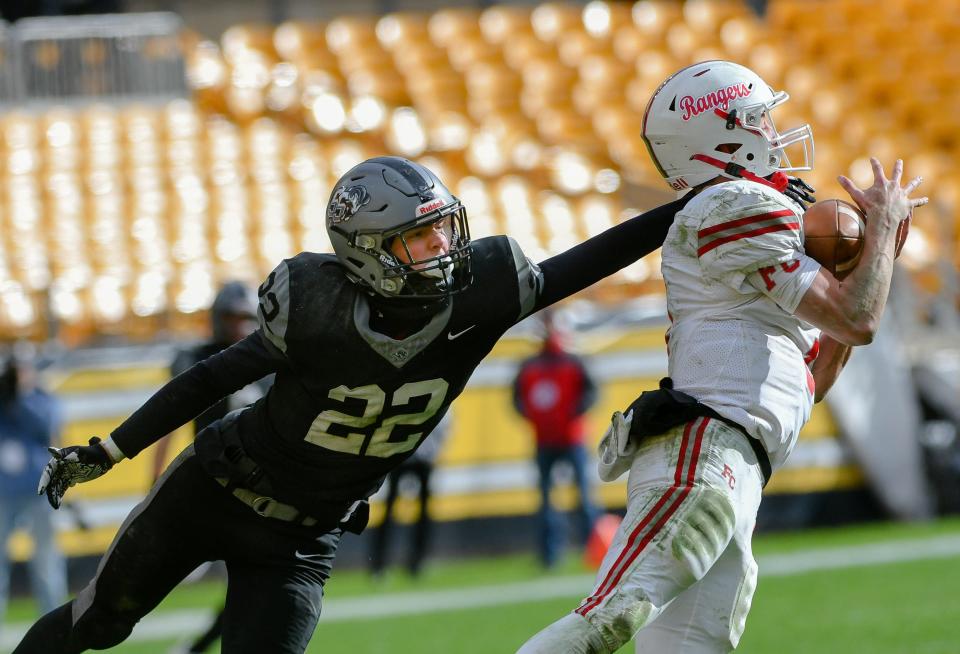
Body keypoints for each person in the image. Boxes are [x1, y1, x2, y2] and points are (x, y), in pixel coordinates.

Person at [16, 155, 697, 654]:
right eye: (420, 237)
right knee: (100, 623)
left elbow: (587, 260)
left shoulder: (479, 299)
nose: (443, 247)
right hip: (213, 491)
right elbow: (211, 379)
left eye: (443, 229)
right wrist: (108, 450)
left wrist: (690, 206)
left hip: (302, 538)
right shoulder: (316, 306)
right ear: (369, 251)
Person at [518, 60, 925, 654]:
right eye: (760, 119)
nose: (773, 132)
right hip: (705, 448)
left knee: (688, 647)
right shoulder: (732, 203)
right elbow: (857, 319)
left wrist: (865, 265)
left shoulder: (749, 214)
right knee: (610, 618)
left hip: (736, 461)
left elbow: (813, 381)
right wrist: (881, 237)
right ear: (723, 135)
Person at [151, 281, 268, 654]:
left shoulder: (267, 361)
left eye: (246, 318)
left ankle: (199, 646)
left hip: (255, 488)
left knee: (252, 582)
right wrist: (155, 477)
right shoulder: (199, 360)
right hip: (207, 479)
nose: (239, 327)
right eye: (233, 318)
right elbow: (168, 423)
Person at [512, 312, 600, 568]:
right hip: (545, 439)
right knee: (546, 501)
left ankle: (593, 550)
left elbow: (591, 393)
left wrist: (572, 414)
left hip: (572, 438)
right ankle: (550, 554)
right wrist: (534, 417)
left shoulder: (573, 362)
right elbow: (517, 398)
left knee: (583, 497)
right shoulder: (530, 366)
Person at [0, 346, 67, 638]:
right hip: (3, 492)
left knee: (46, 561)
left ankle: (54, 624)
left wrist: (22, 396)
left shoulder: (43, 399)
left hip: (39, 491)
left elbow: (46, 428)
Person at [369, 410, 452, 578]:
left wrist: (431, 452)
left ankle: (416, 561)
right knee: (391, 510)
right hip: (403, 457)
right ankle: (380, 563)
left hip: (420, 458)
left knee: (422, 512)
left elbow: (445, 425)